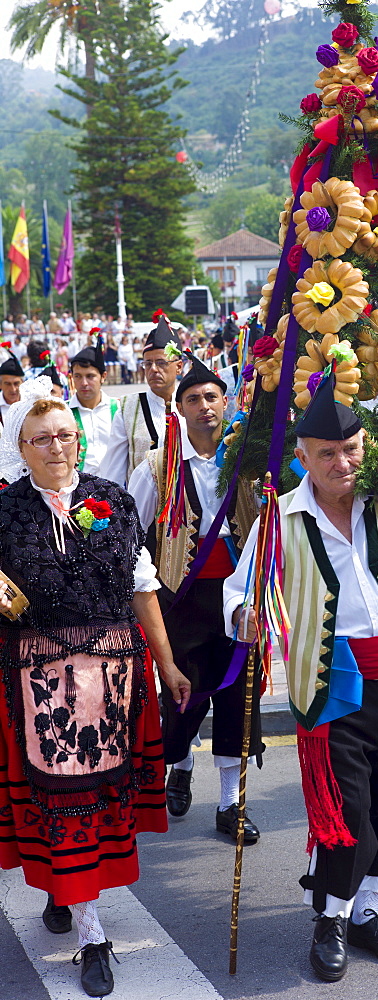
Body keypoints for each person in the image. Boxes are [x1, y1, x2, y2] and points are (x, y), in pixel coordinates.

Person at [224, 374, 378, 982]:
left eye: (353, 449)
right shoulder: (280, 517)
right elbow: (239, 595)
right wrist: (245, 615)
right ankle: (331, 919)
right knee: (346, 812)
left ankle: (367, 914)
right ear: (302, 457)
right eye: (328, 454)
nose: (344, 462)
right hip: (332, 681)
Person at [0, 376, 190, 997]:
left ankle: (71, 894)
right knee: (57, 803)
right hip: (37, 689)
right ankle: (91, 932)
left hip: (111, 681)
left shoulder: (112, 498)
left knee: (91, 806)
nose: (57, 447)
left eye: (66, 436)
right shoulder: (4, 512)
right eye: (42, 439)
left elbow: (142, 588)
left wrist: (166, 665)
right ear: (20, 447)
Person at [128, 354, 262, 842]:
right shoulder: (157, 465)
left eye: (211, 397)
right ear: (179, 408)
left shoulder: (249, 461)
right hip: (181, 599)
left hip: (240, 596)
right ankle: (180, 762)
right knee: (182, 695)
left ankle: (231, 804)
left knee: (237, 700)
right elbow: (129, 530)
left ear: (225, 402)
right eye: (193, 399)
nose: (204, 406)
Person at [100, 316, 183, 488]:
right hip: (141, 509)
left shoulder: (193, 403)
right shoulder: (128, 407)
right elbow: (114, 470)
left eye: (161, 363)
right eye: (147, 363)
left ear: (179, 366)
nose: (153, 369)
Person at [69, 336, 120, 476]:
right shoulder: (63, 412)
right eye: (78, 376)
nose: (84, 383)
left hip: (116, 485)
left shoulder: (119, 409)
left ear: (103, 376)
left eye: (90, 376)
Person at [0, 353, 24, 427]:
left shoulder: (30, 403)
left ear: (22, 383)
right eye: (7, 384)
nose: (13, 389)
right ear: (0, 385)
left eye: (16, 383)